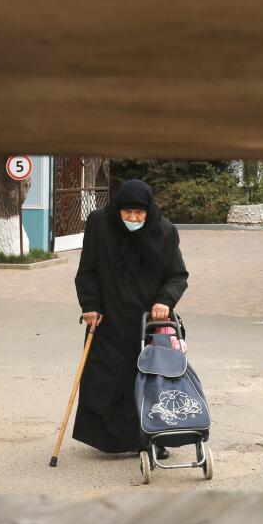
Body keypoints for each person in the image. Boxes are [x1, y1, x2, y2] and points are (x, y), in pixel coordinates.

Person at [72, 178, 188, 457]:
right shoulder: (100, 224)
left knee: (151, 380)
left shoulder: (165, 231)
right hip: (108, 318)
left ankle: (152, 439)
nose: (133, 218)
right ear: (117, 209)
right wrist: (90, 305)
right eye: (127, 213)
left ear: (149, 211)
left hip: (149, 323)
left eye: (139, 213)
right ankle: (110, 440)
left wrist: (165, 300)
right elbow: (87, 269)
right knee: (106, 377)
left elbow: (177, 275)